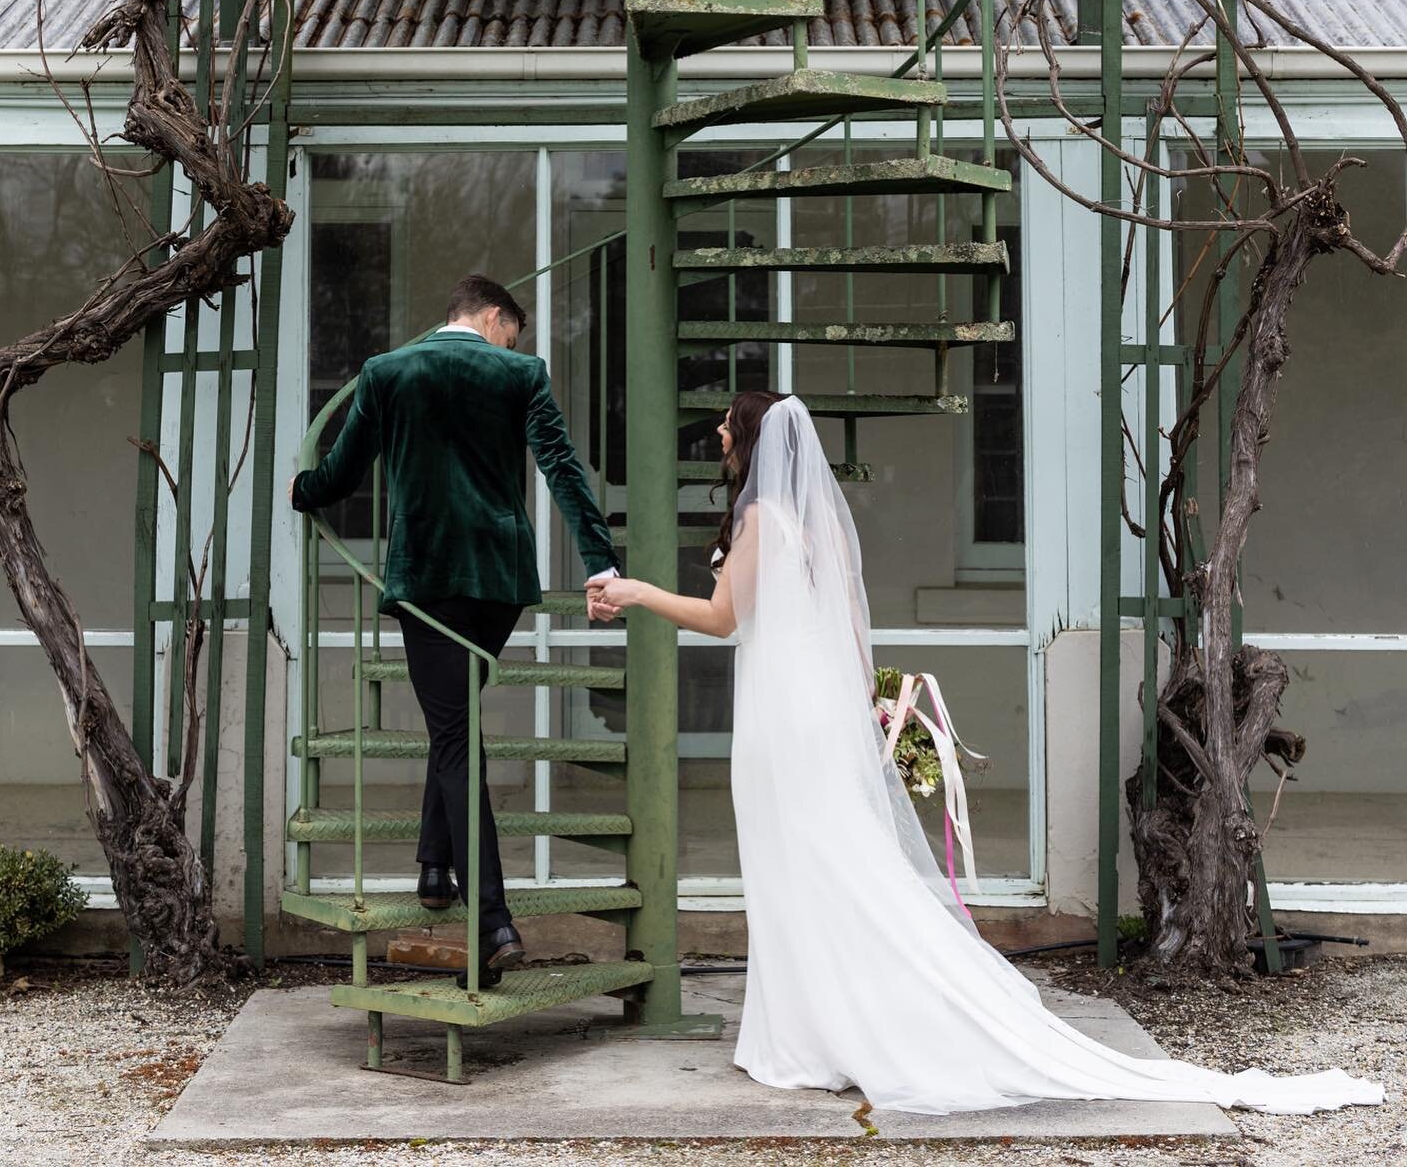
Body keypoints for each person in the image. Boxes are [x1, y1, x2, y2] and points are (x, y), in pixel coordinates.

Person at [588, 391, 1383, 1118]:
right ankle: (818, 1023)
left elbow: (727, 618)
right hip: (811, 711)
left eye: (729, 421)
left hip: (779, 718)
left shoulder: (762, 513)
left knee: (803, 861)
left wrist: (634, 593)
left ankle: (811, 1034)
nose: (720, 431)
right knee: (828, 860)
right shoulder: (820, 522)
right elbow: (852, 629)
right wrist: (861, 702)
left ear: (754, 437)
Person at [290, 273, 619, 981]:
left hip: (430, 579)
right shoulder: (521, 373)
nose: (513, 344)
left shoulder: (386, 372)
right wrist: (602, 564)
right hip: (498, 582)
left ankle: (493, 920)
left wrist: (302, 490)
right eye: (512, 331)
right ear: (494, 316)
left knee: (452, 735)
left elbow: (342, 474)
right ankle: (435, 868)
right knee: (456, 722)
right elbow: (563, 469)